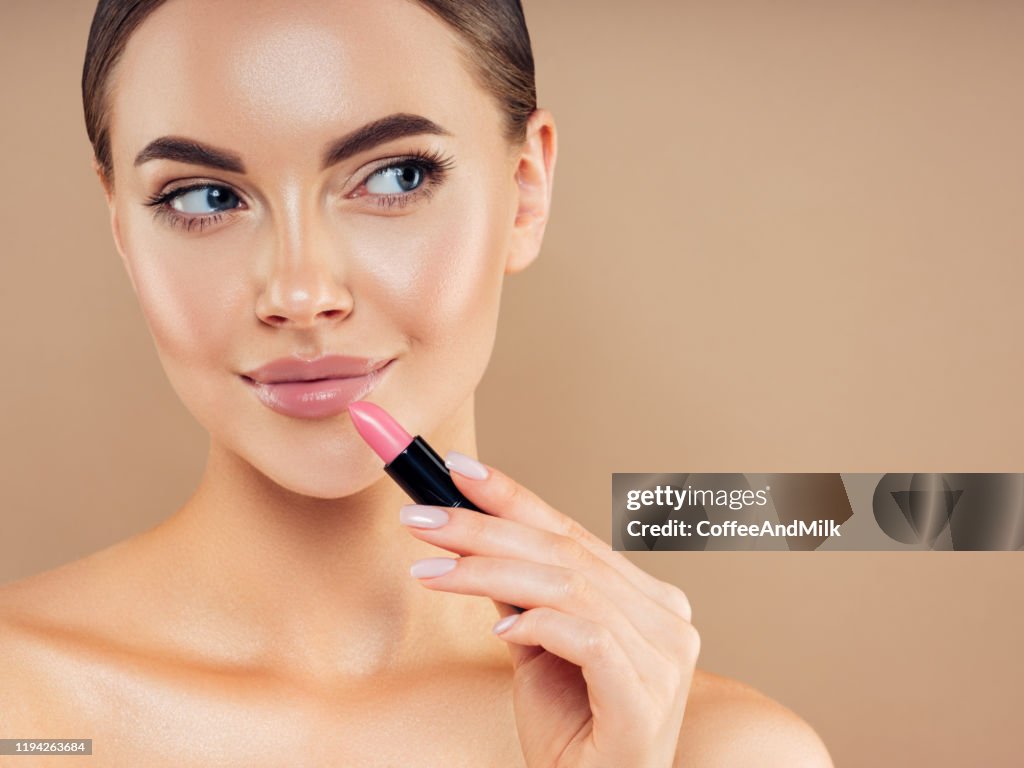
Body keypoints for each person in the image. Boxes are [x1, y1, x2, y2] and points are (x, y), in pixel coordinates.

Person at [0, 1, 832, 765]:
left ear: (525, 192)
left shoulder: (721, 752)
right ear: (122, 229)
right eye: (205, 196)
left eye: (394, 177)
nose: (300, 294)